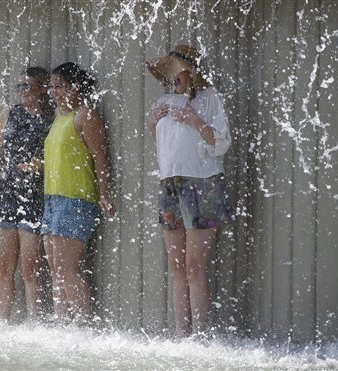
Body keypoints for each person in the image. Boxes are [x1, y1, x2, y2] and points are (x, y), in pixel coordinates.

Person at [146, 45, 234, 337]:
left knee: (194, 266)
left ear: (190, 71)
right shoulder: (164, 100)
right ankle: (181, 335)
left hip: (203, 183)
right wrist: (152, 124)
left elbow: (221, 144)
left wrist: (194, 120)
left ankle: (201, 336)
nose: (172, 77)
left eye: (176, 70)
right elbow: (169, 147)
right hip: (169, 184)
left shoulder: (210, 99)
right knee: (175, 265)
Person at [0, 67, 54, 321]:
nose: (21, 91)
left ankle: (35, 323)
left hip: (35, 195)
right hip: (6, 193)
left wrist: (41, 165)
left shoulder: (52, 117)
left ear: (42, 88)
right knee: (3, 266)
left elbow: (61, 155)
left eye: (26, 86)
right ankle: (3, 322)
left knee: (31, 267)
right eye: (18, 86)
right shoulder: (10, 114)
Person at [42, 62, 115, 325]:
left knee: (67, 267)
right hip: (52, 199)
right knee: (54, 267)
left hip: (76, 200)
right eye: (51, 88)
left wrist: (105, 195)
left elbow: (100, 157)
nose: (54, 93)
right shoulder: (59, 116)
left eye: (59, 87)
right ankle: (63, 323)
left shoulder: (86, 115)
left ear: (76, 87)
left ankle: (83, 324)